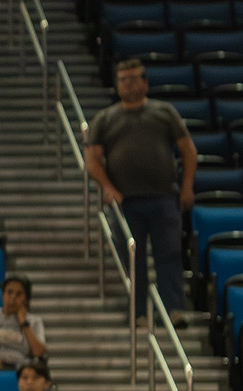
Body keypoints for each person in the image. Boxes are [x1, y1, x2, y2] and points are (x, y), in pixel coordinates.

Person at [83, 57, 194, 319]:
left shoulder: (164, 112)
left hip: (164, 197)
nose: (129, 84)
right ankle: (139, 312)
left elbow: (188, 150)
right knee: (133, 259)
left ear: (145, 81)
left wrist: (187, 186)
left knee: (169, 254)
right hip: (125, 202)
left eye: (135, 78)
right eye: (124, 80)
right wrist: (108, 188)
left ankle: (173, 311)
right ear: (117, 84)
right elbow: (92, 160)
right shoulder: (105, 118)